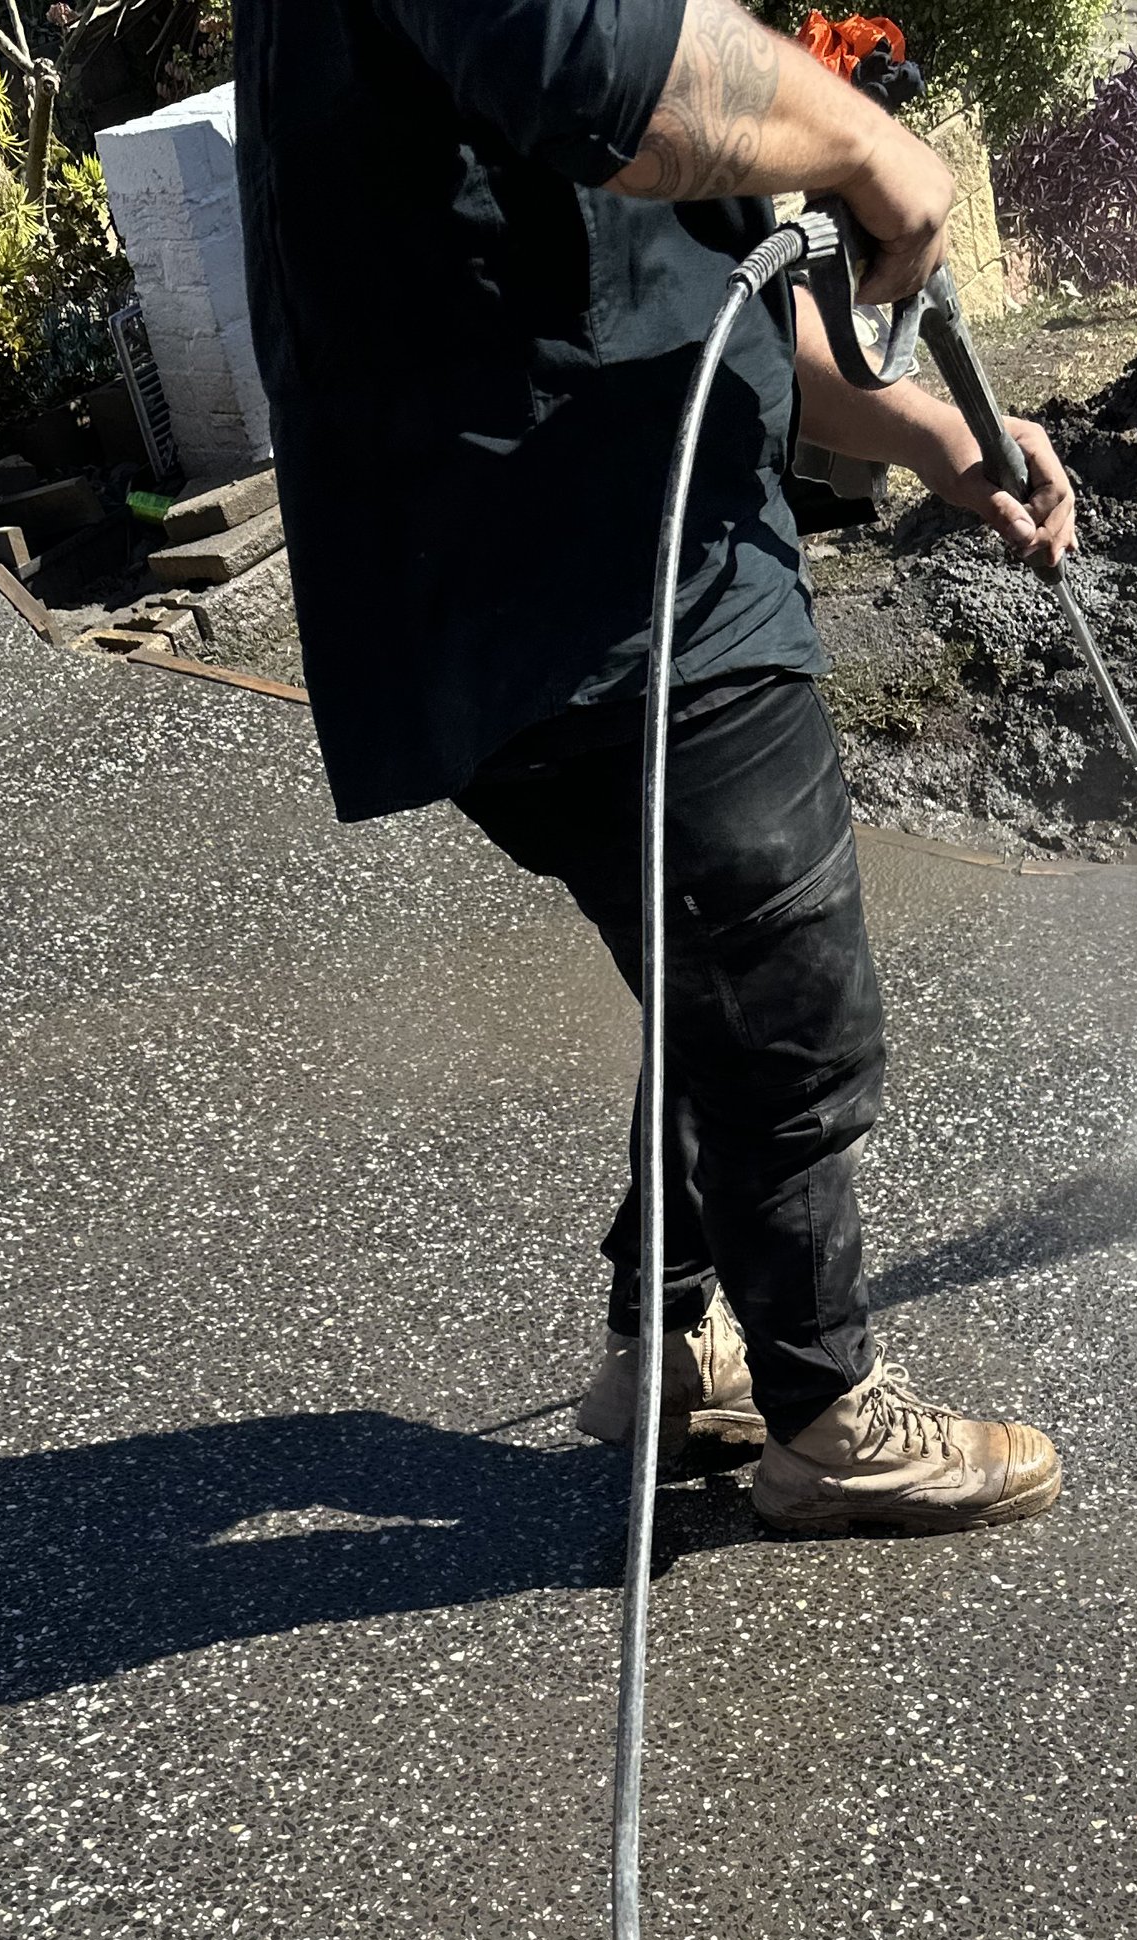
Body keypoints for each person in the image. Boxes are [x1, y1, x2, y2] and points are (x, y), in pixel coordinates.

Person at [236, 0, 1078, 1533]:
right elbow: (606, 77)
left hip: (557, 539)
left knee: (707, 957)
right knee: (782, 997)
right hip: (591, 561)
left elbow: (686, 280)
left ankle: (678, 1340)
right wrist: (867, 142)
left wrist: (924, 433)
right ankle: (828, 1421)